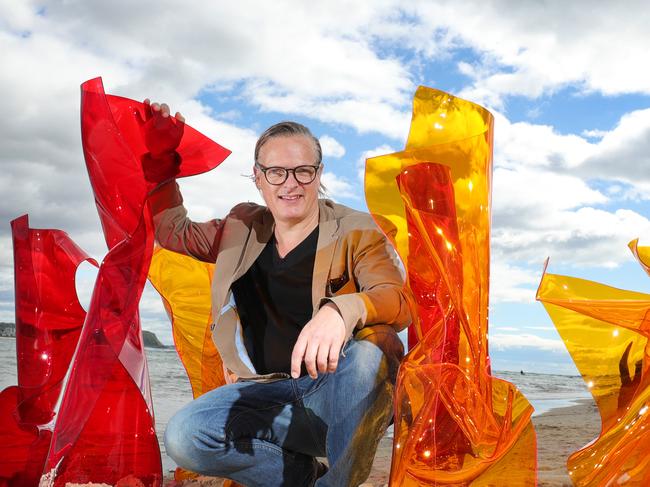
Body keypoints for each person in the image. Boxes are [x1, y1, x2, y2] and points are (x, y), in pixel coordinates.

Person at [142, 100, 412, 487]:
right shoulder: (239, 227)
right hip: (269, 394)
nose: (290, 183)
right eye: (276, 171)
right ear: (257, 177)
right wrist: (160, 160)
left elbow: (397, 299)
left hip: (341, 399)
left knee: (368, 357)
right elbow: (171, 230)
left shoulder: (358, 231)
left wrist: (341, 310)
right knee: (185, 437)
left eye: (303, 171)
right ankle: (300, 476)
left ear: (318, 174)